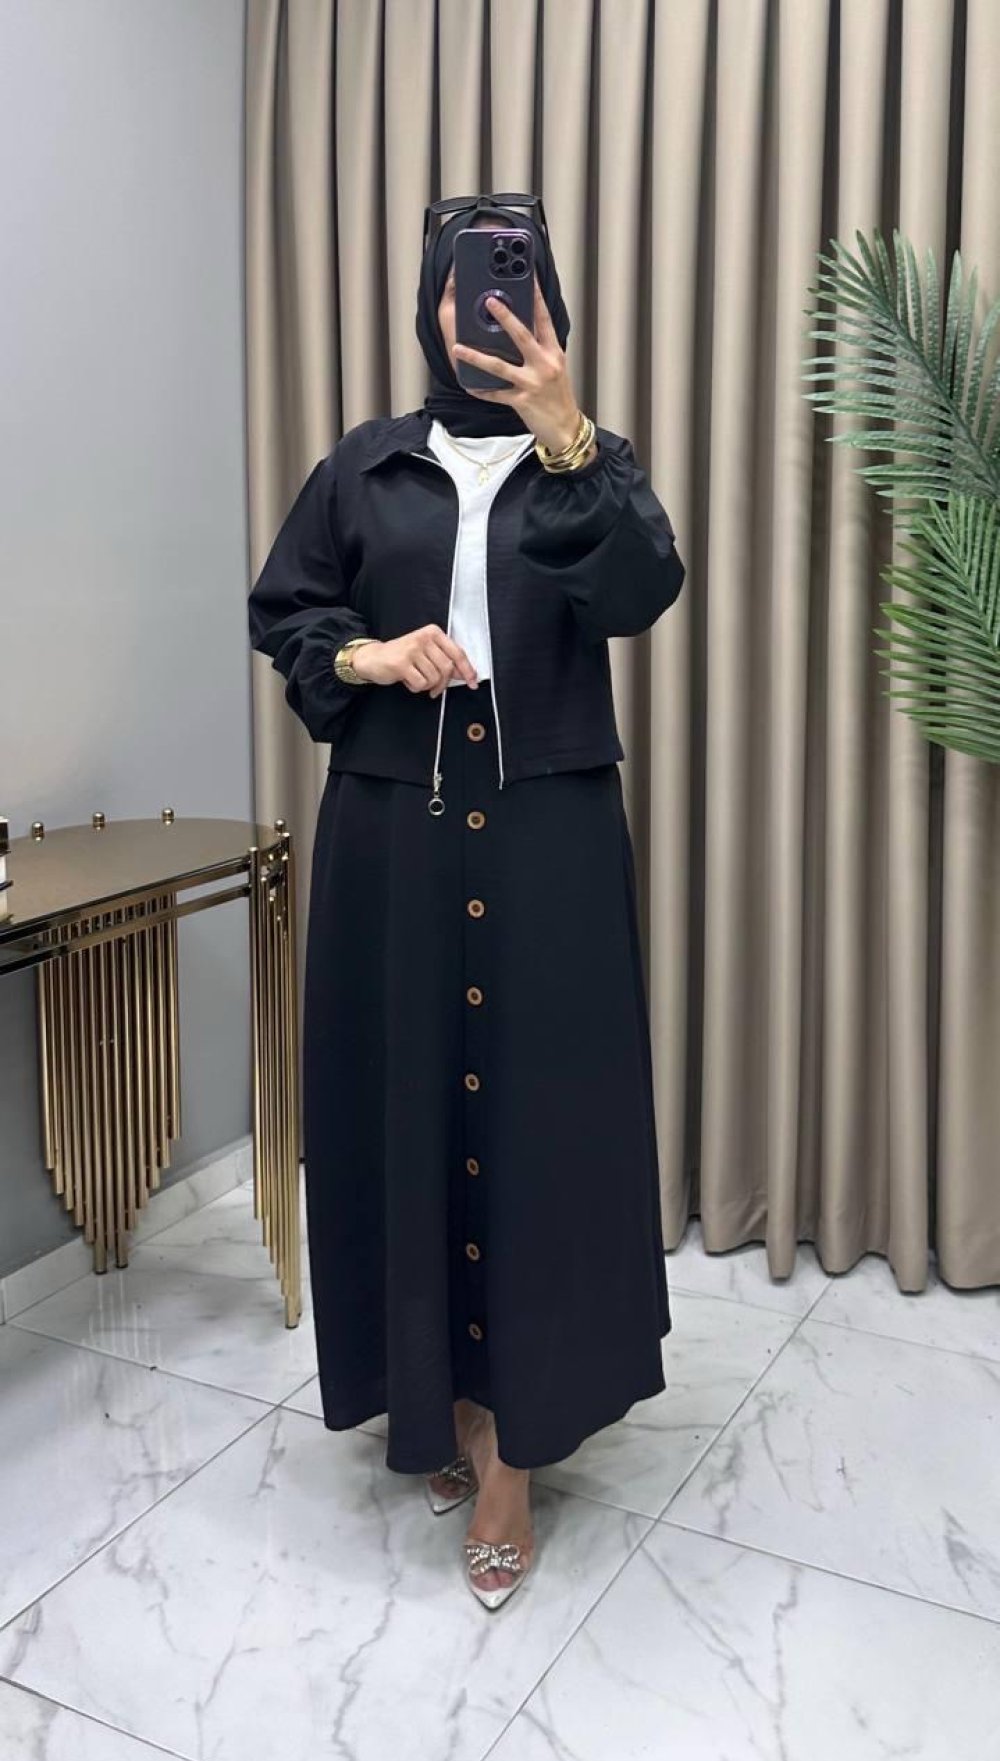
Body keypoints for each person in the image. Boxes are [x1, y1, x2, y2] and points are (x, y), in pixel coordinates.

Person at [247, 192, 685, 1610]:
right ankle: (438, 1397)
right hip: (396, 830)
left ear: (545, 303)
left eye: (511, 285)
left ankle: (515, 1448)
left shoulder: (584, 463)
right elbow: (287, 612)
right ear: (430, 303)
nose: (482, 310)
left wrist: (569, 428)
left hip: (549, 828)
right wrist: (370, 658)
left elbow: (643, 592)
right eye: (460, 286)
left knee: (541, 1124)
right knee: (410, 1105)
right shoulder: (364, 466)